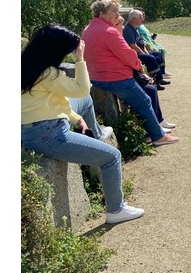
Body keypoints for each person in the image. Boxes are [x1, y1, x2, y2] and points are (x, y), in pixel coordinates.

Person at [20, 23, 144, 224]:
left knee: (85, 102)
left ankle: (96, 139)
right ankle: (116, 210)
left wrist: (76, 118)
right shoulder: (48, 73)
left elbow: (51, 102)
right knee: (112, 157)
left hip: (36, 128)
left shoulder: (27, 65)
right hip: (50, 135)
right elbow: (82, 89)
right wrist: (80, 59)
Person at [81, 0, 179, 146]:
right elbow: (128, 55)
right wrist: (139, 66)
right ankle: (158, 136)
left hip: (97, 78)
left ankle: (152, 131)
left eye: (118, 11)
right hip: (116, 78)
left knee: (144, 97)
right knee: (144, 101)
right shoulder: (109, 31)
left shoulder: (89, 29)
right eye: (113, 11)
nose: (118, 14)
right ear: (101, 14)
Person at [114, 16, 175, 132]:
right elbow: (130, 55)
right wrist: (141, 71)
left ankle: (160, 120)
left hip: (130, 72)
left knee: (151, 88)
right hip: (123, 77)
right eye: (120, 25)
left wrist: (143, 73)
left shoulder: (122, 35)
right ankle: (155, 125)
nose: (123, 27)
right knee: (150, 90)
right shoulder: (118, 38)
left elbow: (138, 48)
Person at [123, 9, 169, 89]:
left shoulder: (135, 28)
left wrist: (146, 53)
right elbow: (133, 46)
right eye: (140, 17)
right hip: (134, 54)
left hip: (140, 51)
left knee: (157, 54)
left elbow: (141, 43)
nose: (143, 18)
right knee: (150, 58)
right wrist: (144, 54)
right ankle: (156, 82)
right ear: (134, 19)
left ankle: (160, 76)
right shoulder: (128, 29)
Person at [133, 7, 171, 78]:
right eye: (141, 15)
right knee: (157, 51)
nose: (143, 16)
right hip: (145, 45)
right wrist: (146, 48)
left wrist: (151, 37)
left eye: (144, 14)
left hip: (149, 42)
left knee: (161, 50)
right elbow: (138, 40)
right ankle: (159, 73)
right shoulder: (135, 27)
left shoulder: (141, 25)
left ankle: (162, 71)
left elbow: (144, 36)